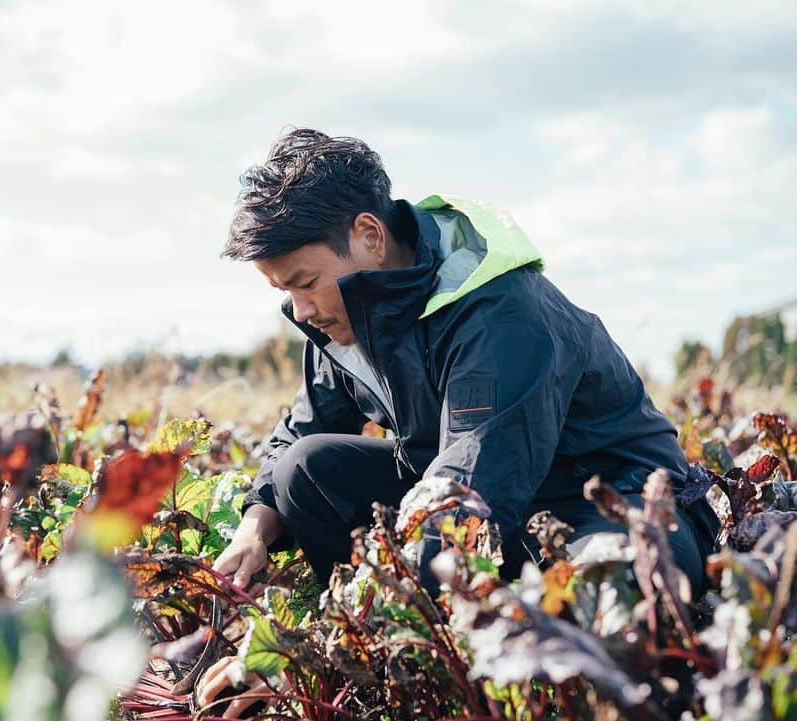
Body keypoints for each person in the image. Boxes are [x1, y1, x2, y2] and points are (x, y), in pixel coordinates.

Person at [197, 127, 720, 717]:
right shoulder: (341, 314)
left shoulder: (499, 310)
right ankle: (402, 656)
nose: (300, 310)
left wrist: (306, 649)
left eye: (304, 283)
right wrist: (255, 529)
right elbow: (300, 429)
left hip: (606, 505)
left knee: (616, 586)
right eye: (282, 291)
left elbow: (469, 492)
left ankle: (396, 646)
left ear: (368, 236)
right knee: (304, 470)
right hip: (483, 512)